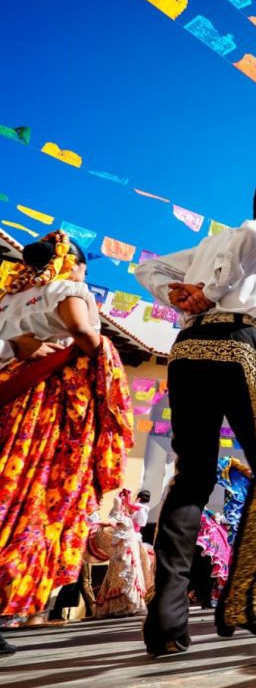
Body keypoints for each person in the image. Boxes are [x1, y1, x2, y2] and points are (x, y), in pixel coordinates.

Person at [136, 175, 256, 655]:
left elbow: (146, 268)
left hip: (188, 352)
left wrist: (178, 296)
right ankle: (245, 600)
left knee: (192, 478)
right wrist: (212, 292)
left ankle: (166, 624)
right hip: (237, 347)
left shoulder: (211, 241)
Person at [0, 232, 131, 641]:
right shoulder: (69, 288)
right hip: (49, 402)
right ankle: (12, 598)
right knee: (39, 497)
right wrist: (98, 348)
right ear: (71, 264)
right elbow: (82, 331)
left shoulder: (8, 299)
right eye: (84, 267)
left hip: (10, 395)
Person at [93, 489, 151, 618]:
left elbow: (124, 519)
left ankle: (128, 603)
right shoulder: (132, 509)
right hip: (127, 542)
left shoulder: (139, 508)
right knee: (123, 570)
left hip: (129, 541)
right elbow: (118, 521)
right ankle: (126, 603)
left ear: (139, 498)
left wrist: (125, 500)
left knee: (128, 569)